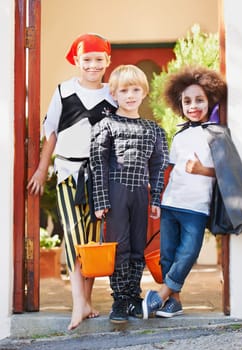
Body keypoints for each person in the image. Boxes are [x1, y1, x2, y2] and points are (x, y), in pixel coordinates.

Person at [142, 65, 242, 319]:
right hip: (171, 204)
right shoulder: (178, 136)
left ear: (209, 101)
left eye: (199, 100)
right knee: (168, 255)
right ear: (180, 104)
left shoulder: (217, 134)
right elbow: (169, 169)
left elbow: (227, 174)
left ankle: (160, 294)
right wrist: (156, 196)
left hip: (196, 209)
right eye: (187, 101)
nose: (193, 106)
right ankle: (175, 302)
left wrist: (202, 170)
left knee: (188, 252)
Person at [27, 33, 117, 330]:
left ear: (108, 61)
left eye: (98, 59)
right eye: (87, 60)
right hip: (67, 173)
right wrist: (42, 169)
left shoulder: (113, 94)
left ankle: (87, 300)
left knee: (91, 240)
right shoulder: (64, 91)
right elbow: (50, 133)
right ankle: (78, 303)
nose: (92, 65)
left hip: (99, 177)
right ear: (77, 61)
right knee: (75, 233)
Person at [90, 64, 169, 323]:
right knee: (120, 247)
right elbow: (98, 164)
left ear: (144, 92)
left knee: (137, 247)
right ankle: (120, 300)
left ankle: (134, 297)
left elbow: (158, 166)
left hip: (140, 195)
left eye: (135, 89)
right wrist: (101, 200)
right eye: (124, 90)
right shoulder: (106, 125)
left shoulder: (154, 130)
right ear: (114, 93)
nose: (130, 95)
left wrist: (156, 198)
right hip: (115, 192)